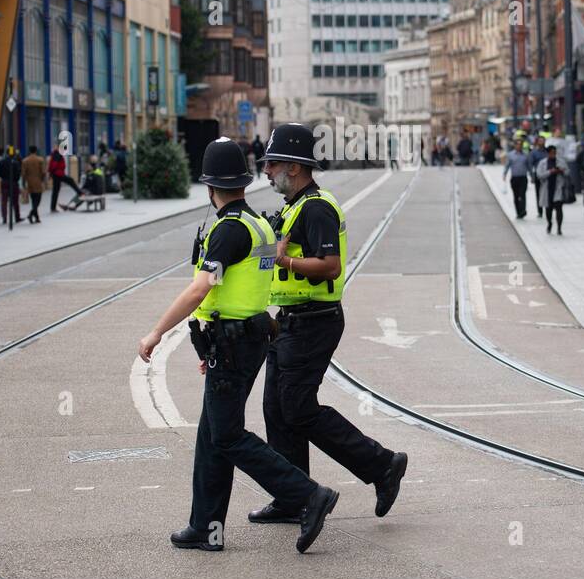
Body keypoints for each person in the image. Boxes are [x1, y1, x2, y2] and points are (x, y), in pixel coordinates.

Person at [138, 138, 339, 553]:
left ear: (210, 187)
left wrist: (156, 332)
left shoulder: (229, 231)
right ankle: (206, 528)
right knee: (212, 434)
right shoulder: (261, 225)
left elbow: (199, 290)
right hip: (244, 339)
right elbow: (253, 285)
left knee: (227, 436)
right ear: (243, 183)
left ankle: (306, 494)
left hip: (233, 343)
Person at [250, 123, 408, 526]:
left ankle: (382, 464)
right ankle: (291, 496)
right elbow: (278, 253)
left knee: (298, 409)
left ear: (295, 167)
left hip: (314, 321)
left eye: (272, 164)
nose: (266, 171)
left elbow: (329, 266)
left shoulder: (316, 207)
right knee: (276, 408)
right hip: (287, 322)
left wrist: (281, 259)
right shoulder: (292, 206)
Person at [536, 144, 569, 235]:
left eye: (554, 153)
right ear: (548, 153)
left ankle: (559, 228)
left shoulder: (560, 161)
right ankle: (549, 223)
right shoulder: (542, 163)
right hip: (547, 189)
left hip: (558, 188)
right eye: (551, 153)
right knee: (548, 209)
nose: (553, 154)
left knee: (559, 208)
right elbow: (539, 175)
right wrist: (550, 172)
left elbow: (567, 172)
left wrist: (561, 171)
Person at [47, 147, 81, 212]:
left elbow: (51, 164)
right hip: (58, 174)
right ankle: (79, 192)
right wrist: (52, 172)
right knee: (70, 181)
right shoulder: (57, 154)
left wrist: (51, 173)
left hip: (57, 174)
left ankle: (52, 207)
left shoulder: (56, 154)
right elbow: (54, 165)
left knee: (55, 191)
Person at [503, 141, 531, 219]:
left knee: (522, 194)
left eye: (520, 145)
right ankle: (518, 212)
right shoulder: (510, 155)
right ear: (515, 146)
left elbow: (529, 166)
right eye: (517, 144)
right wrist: (504, 174)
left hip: (523, 178)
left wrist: (532, 176)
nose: (519, 146)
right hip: (514, 178)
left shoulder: (525, 155)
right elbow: (507, 165)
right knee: (516, 196)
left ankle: (523, 210)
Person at [21, 145, 47, 224]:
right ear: (36, 151)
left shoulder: (25, 161)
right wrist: (43, 180)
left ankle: (36, 217)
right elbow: (43, 172)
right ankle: (31, 214)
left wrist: (23, 183)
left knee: (33, 200)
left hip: (30, 183)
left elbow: (23, 173)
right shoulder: (40, 160)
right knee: (38, 200)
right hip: (38, 182)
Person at [0, 147, 22, 225]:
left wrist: (3, 176)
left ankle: (4, 217)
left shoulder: (2, 162)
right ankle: (17, 217)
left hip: (4, 182)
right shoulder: (15, 162)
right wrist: (16, 179)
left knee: (4, 200)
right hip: (13, 183)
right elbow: (18, 173)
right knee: (15, 201)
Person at [528, 136, 548, 217]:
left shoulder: (547, 151)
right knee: (538, 193)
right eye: (540, 141)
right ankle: (540, 211)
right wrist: (532, 176)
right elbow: (531, 165)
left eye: (543, 141)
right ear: (537, 142)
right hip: (538, 175)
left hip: (547, 175)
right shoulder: (534, 152)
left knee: (547, 193)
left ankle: (548, 209)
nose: (541, 143)